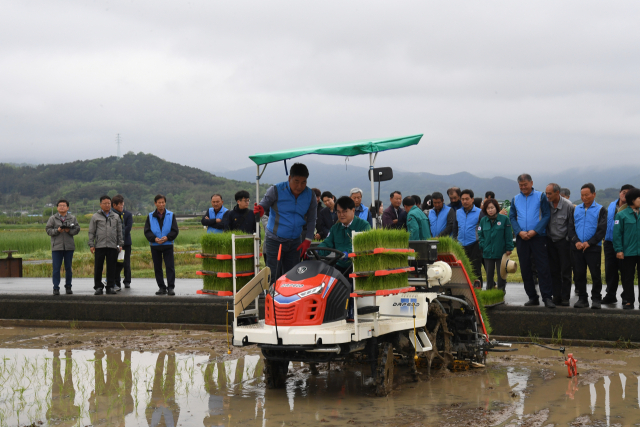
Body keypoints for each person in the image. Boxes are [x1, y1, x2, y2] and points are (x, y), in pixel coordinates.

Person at [253, 163, 317, 283]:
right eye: (296, 181)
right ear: (289, 178)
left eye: (303, 182)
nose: (299, 186)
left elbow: (312, 219)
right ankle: (272, 301)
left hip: (295, 242)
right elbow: (262, 206)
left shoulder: (310, 195)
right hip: (275, 240)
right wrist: (260, 210)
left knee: (293, 277)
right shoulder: (276, 190)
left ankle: (288, 301)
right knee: (273, 275)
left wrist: (308, 240)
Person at [509, 174, 554, 308]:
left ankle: (547, 297)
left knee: (543, 267)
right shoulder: (515, 199)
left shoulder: (541, 196)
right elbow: (512, 217)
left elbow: (546, 215)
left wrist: (536, 231)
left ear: (531, 183)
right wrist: (519, 232)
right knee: (525, 268)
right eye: (521, 185)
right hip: (522, 238)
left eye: (525, 184)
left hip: (539, 237)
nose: (523, 187)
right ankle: (532, 297)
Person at [568, 183, 607, 309]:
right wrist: (576, 241)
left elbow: (602, 229)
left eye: (587, 195)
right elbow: (570, 228)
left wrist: (589, 243)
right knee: (579, 274)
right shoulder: (575, 209)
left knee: (595, 274)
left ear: (594, 194)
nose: (584, 197)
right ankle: (582, 299)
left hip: (593, 248)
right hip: (577, 247)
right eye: (582, 195)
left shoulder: (601, 210)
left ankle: (596, 299)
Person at [318, 196, 371, 275]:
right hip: (339, 266)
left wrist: (348, 253)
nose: (341, 215)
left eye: (344, 211)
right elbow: (327, 243)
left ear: (353, 210)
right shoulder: (335, 228)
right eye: (338, 212)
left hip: (357, 267)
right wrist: (317, 250)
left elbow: (363, 246)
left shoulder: (363, 226)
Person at [602, 184, 635, 304]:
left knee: (625, 271)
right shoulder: (611, 205)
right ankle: (610, 295)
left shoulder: (632, 207)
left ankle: (626, 296)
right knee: (610, 270)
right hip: (609, 242)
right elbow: (607, 222)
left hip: (624, 244)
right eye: (623, 191)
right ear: (619, 193)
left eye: (628, 192)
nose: (625, 194)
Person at [144, 194, 180, 295]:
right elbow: (147, 231)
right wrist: (154, 239)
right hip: (155, 245)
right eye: (159, 202)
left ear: (165, 203)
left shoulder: (171, 215)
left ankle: (171, 287)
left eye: (163, 202)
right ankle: (161, 287)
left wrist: (167, 237)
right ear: (155, 203)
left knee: (170, 266)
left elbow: (175, 230)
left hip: (167, 244)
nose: (161, 204)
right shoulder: (150, 216)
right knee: (157, 267)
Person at [545, 183, 574, 306]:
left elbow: (571, 224)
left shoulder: (568, 206)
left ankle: (565, 297)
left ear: (557, 193)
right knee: (554, 270)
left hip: (564, 242)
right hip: (551, 241)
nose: (547, 196)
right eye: (546, 193)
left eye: (550, 193)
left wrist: (568, 240)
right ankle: (556, 295)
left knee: (566, 270)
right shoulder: (546, 204)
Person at [88, 195, 123, 295]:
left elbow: (119, 232)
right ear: (100, 204)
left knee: (111, 267)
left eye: (109, 203)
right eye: (105, 203)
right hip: (99, 245)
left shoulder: (116, 216)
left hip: (112, 246)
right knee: (98, 267)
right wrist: (91, 244)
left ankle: (110, 287)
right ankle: (98, 287)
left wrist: (120, 244)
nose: (107, 205)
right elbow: (91, 232)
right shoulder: (95, 217)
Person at [45, 199, 80, 295]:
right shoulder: (53, 218)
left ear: (68, 207)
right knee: (56, 268)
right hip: (56, 247)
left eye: (64, 205)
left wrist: (69, 231)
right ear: (57, 207)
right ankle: (56, 287)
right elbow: (48, 230)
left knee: (68, 267)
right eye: (60, 205)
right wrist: (57, 230)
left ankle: (68, 286)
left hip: (69, 246)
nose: (62, 207)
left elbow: (77, 229)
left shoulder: (72, 218)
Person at [478, 198, 513, 292]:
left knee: (501, 273)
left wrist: (509, 248)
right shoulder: (483, 220)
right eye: (488, 208)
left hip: (500, 251)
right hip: (487, 252)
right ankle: (489, 291)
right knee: (489, 274)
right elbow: (480, 234)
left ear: (496, 208)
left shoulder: (504, 219)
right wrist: (482, 244)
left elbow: (508, 235)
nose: (490, 210)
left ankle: (501, 291)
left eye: (492, 208)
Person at [613, 188, 640, 309]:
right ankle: (629, 300)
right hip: (628, 252)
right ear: (632, 200)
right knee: (627, 277)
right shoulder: (621, 215)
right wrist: (619, 250)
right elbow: (617, 234)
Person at [457, 189, 482, 286]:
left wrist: (480, 241)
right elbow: (455, 229)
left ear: (472, 199)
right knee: (462, 271)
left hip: (474, 244)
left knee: (476, 271)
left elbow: (483, 228)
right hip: (461, 245)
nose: (464, 201)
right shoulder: (458, 212)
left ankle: (477, 294)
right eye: (462, 199)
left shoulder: (479, 212)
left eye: (467, 199)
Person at [111, 195, 133, 291]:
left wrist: (121, 239)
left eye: (122, 205)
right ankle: (116, 281)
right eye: (120, 205)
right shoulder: (111, 214)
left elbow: (127, 228)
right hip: (114, 243)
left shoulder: (127, 214)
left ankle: (127, 281)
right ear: (114, 205)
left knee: (126, 262)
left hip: (126, 243)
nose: (121, 207)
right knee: (116, 263)